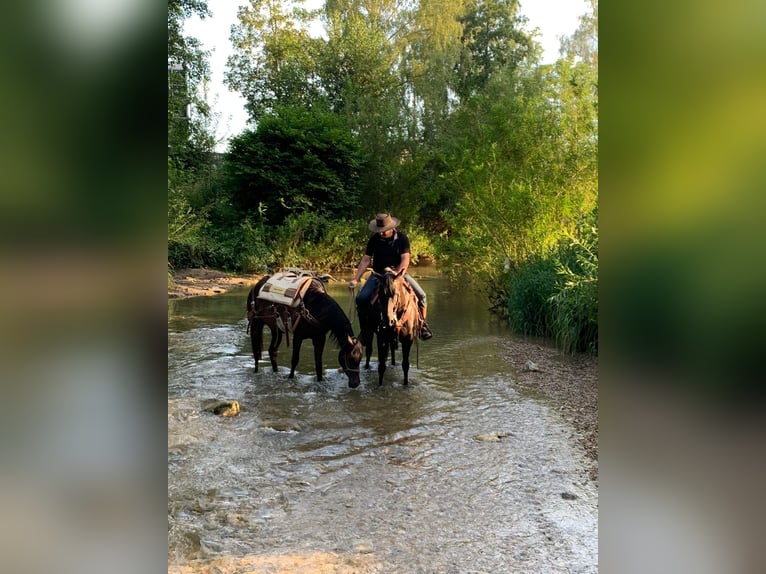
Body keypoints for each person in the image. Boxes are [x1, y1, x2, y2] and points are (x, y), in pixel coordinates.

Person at [348, 213, 433, 340]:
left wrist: (398, 273)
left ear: (391, 227)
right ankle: (365, 330)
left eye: (383, 231)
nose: (381, 233)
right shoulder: (374, 240)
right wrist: (356, 279)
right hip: (378, 275)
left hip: (398, 274)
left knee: (422, 295)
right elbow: (366, 260)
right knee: (361, 299)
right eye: (379, 231)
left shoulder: (402, 238)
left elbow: (405, 259)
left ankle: (422, 326)